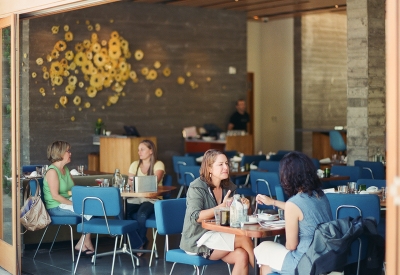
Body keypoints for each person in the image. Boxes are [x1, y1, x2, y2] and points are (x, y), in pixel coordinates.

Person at [254, 151, 333, 275]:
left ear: (288, 176)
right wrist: (273, 202)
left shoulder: (294, 203)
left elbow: (291, 246)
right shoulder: (320, 196)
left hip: (304, 263)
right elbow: (301, 209)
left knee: (263, 249)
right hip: (325, 259)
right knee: (269, 259)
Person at [180, 149, 254, 275]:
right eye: (220, 164)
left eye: (226, 163)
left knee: (242, 255)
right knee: (244, 238)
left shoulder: (228, 187)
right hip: (198, 239)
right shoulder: (197, 187)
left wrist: (246, 208)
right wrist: (221, 207)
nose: (226, 167)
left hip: (220, 234)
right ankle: (261, 272)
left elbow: (239, 217)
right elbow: (195, 217)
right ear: (209, 168)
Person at [42, 140, 95, 256]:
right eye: (68, 151)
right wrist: (75, 204)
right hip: (56, 207)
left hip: (67, 203)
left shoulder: (65, 169)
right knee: (90, 210)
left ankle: (83, 241)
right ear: (60, 153)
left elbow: (72, 190)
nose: (70, 153)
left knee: (95, 207)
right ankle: (85, 242)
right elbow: (55, 196)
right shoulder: (52, 171)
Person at [127, 139, 165, 254]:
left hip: (152, 199)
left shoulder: (158, 164)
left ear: (151, 151)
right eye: (138, 150)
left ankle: (139, 245)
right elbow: (129, 183)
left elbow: (154, 181)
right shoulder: (134, 164)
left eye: (142, 149)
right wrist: (137, 182)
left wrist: (136, 182)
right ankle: (139, 242)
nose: (139, 152)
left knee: (142, 214)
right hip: (136, 198)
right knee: (122, 212)